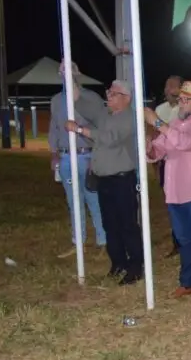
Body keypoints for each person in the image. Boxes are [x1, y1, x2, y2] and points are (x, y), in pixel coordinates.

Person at [145, 81, 191, 300]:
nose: (181, 102)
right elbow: (160, 149)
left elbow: (184, 143)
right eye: (180, 98)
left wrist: (158, 123)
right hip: (175, 192)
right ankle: (187, 281)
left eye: (186, 99)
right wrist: (150, 147)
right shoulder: (175, 124)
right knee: (184, 239)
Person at [67, 79, 143, 285]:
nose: (108, 96)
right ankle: (118, 262)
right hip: (105, 181)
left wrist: (80, 130)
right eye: (109, 92)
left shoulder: (130, 118)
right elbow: (81, 104)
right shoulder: (106, 115)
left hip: (122, 180)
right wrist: (72, 78)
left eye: (113, 93)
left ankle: (136, 266)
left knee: (127, 224)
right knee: (110, 224)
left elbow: (110, 138)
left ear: (125, 98)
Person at [49, 62, 107, 258]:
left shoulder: (91, 98)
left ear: (78, 72)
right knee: (73, 201)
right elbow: (54, 128)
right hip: (66, 157)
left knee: (94, 199)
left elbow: (102, 129)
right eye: (62, 69)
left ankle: (103, 240)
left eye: (69, 68)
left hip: (87, 155)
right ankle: (78, 242)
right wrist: (54, 153)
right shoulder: (57, 101)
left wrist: (97, 156)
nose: (65, 72)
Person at [155, 76, 183, 258]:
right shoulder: (159, 109)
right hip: (166, 163)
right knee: (172, 203)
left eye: (173, 86)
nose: (169, 90)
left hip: (184, 163)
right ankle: (177, 242)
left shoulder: (186, 108)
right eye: (167, 86)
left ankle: (188, 241)